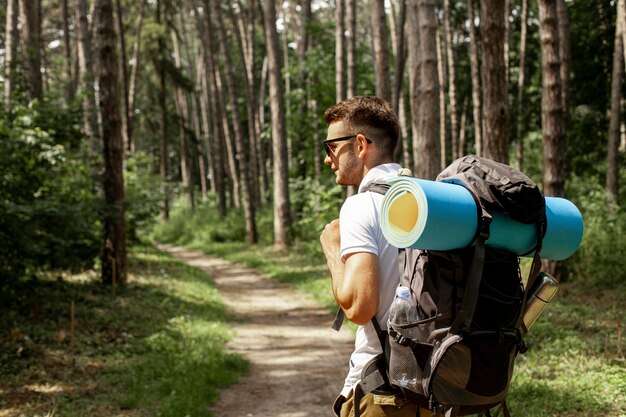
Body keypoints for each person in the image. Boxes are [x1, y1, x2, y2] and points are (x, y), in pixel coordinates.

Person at [320, 96, 427, 417]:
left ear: (361, 144)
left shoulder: (360, 205)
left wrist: (332, 249)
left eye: (331, 147)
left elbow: (359, 306)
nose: (328, 160)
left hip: (385, 391)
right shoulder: (427, 199)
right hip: (437, 387)